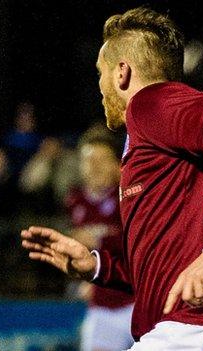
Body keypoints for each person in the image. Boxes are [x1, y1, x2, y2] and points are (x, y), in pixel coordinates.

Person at [21, 7, 203, 350]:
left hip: (192, 326)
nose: (100, 87)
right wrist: (97, 266)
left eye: (100, 73)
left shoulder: (151, 103)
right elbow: (164, 264)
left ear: (122, 72)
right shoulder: (156, 136)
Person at [64, 128, 133, 351]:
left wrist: (100, 241)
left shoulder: (129, 196)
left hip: (137, 302)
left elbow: (137, 244)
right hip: (101, 307)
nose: (94, 166)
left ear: (117, 164)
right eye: (88, 159)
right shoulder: (74, 200)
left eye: (102, 159)